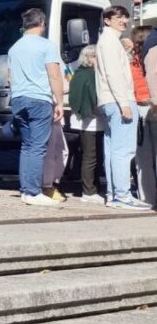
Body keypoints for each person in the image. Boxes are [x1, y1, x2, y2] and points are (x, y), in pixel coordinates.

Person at [7, 7, 64, 207]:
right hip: (39, 99)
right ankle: (33, 191)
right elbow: (54, 75)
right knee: (38, 147)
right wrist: (59, 102)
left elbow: (10, 77)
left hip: (18, 98)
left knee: (27, 146)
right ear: (42, 23)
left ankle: (26, 190)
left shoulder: (14, 48)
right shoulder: (46, 45)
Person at [96, 6, 150, 210]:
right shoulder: (110, 41)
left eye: (125, 17)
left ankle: (114, 194)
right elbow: (114, 74)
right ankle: (122, 195)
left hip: (109, 101)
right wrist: (124, 103)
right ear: (107, 20)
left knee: (112, 150)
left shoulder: (107, 41)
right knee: (124, 150)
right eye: (118, 17)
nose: (124, 21)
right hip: (119, 100)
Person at [69, 45, 104, 204]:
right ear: (89, 58)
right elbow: (92, 98)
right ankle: (89, 191)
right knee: (91, 156)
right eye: (96, 56)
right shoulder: (90, 75)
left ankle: (94, 187)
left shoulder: (79, 73)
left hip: (84, 119)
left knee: (92, 155)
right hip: (90, 120)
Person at [131, 26, 155, 204]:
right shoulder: (153, 54)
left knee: (143, 157)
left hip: (138, 108)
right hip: (153, 105)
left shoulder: (130, 61)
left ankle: (147, 197)